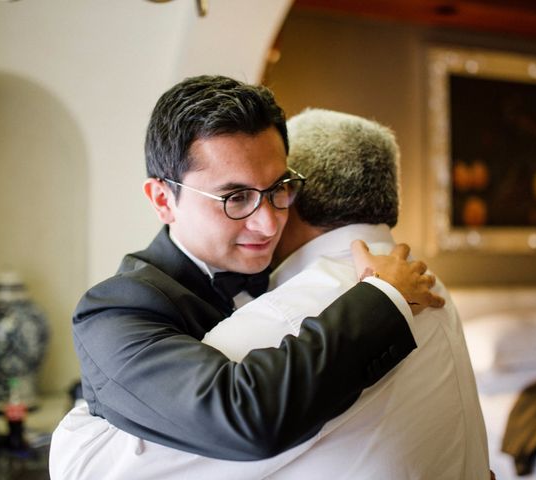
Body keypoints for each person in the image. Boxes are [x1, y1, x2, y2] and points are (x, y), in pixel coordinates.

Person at [50, 107, 489, 479]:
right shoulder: (117, 306)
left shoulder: (311, 293)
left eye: (277, 191)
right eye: (235, 197)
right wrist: (383, 299)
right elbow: (243, 414)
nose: (265, 222)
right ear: (163, 200)